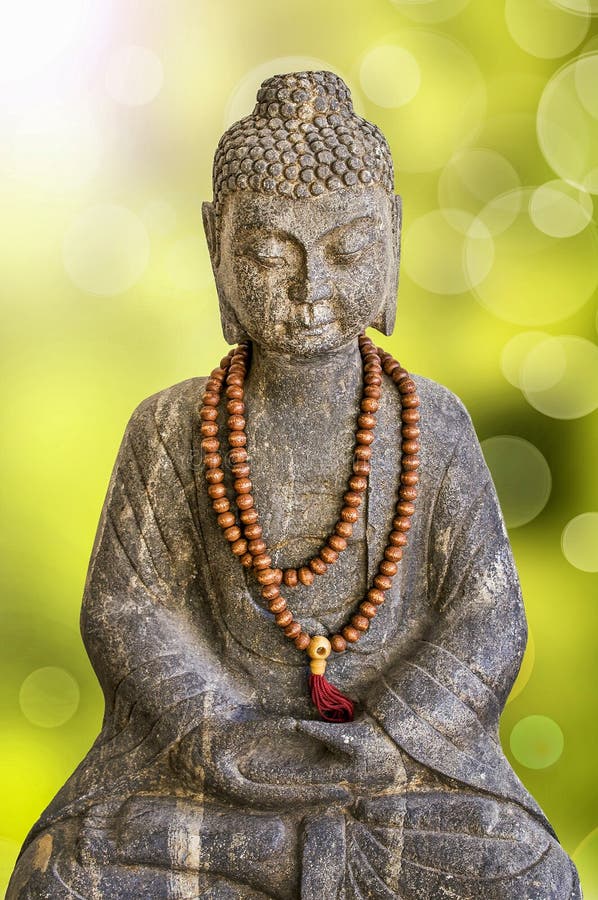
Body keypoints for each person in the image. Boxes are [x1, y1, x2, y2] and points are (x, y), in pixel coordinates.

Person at [8, 70, 581, 899]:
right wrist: (220, 734)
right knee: (66, 871)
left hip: (393, 774)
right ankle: (296, 854)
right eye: (271, 255)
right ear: (216, 243)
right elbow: (127, 609)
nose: (311, 290)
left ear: (392, 237)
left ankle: (275, 857)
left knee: (528, 875)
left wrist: (391, 737)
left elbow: (486, 615)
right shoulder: (171, 426)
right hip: (218, 764)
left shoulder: (433, 423)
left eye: (347, 252)